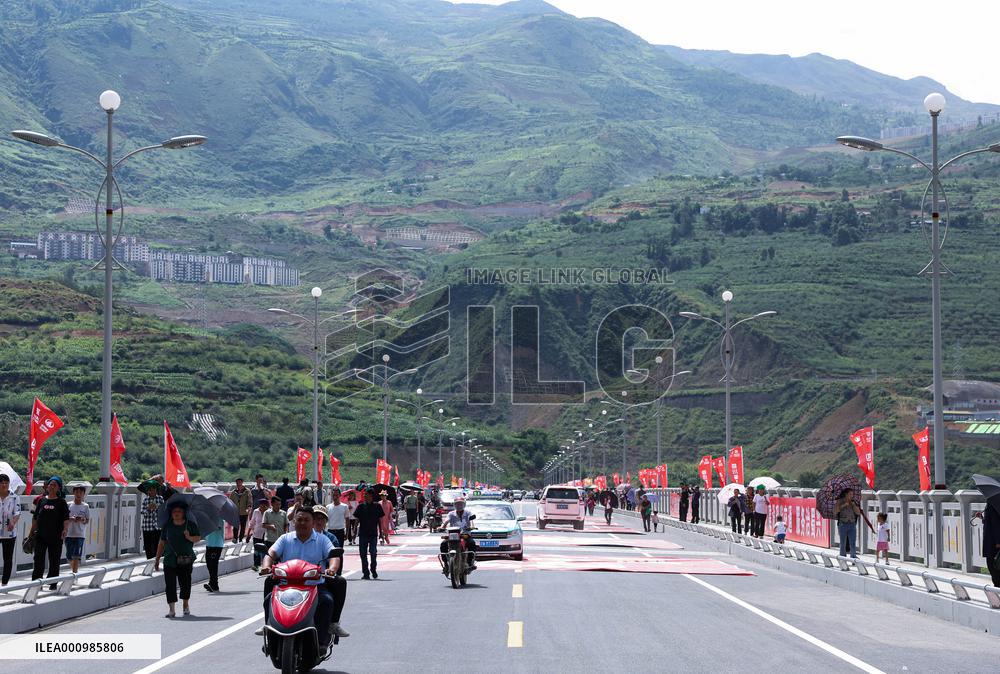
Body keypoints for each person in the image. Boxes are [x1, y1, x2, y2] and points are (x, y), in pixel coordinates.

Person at [256, 508, 348, 645]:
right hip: (286, 586)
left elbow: (334, 556)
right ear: (294, 521)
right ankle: (269, 629)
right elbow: (271, 553)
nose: (302, 523)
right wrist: (266, 566)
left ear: (312, 522)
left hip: (315, 586)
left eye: (306, 520)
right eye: (299, 519)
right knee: (269, 598)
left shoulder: (322, 540)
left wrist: (332, 569)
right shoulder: (285, 539)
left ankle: (323, 638)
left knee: (327, 601)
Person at [155, 502, 201, 618]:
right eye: (174, 511)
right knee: (170, 585)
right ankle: (172, 609)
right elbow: (162, 543)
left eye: (179, 511)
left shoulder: (190, 525)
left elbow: (198, 538)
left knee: (185, 583)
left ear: (184, 513)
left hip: (186, 559)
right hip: (169, 560)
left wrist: (189, 537)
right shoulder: (167, 526)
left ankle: (185, 604)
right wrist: (157, 559)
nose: (176, 513)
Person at [309, 505, 349, 631]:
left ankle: (334, 622)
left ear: (326, 521)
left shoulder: (330, 538)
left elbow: (334, 557)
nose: (319, 521)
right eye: (316, 518)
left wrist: (331, 569)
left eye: (322, 518)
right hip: (298, 577)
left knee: (340, 582)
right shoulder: (295, 536)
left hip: (321, 577)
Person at [29, 476, 69, 589]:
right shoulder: (42, 500)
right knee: (38, 560)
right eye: (50, 484)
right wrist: (31, 531)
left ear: (59, 488)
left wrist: (65, 529)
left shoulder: (61, 502)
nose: (51, 487)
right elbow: (35, 517)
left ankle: (52, 583)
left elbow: (66, 519)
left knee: (54, 560)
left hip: (55, 536)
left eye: (54, 485)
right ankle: (36, 583)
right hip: (40, 535)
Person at [439, 497, 477, 571]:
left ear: (464, 504)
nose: (459, 505)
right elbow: (446, 521)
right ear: (454, 505)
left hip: (465, 534)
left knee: (472, 543)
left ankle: (470, 563)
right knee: (443, 544)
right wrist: (442, 527)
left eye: (460, 504)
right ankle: (445, 564)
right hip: (453, 535)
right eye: (457, 504)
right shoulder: (451, 514)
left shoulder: (468, 513)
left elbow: (471, 521)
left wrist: (471, 527)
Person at [353, 489, 384, 579]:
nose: (365, 496)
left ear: (371, 496)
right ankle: (365, 572)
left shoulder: (377, 506)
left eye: (366, 494)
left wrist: (381, 533)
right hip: (363, 534)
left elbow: (380, 520)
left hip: (373, 534)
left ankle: (373, 569)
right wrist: (354, 531)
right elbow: (357, 520)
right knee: (363, 554)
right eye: (364, 494)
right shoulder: (360, 506)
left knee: (373, 553)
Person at [0, 473, 22, 586]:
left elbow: (17, 512)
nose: (4, 485)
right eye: (2, 483)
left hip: (9, 532)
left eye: (6, 483)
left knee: (7, 558)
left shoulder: (14, 497)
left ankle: (4, 583)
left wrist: (13, 522)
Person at [973, 504, 1000, 587]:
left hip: (993, 543)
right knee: (992, 566)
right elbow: (990, 521)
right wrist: (982, 518)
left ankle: (997, 586)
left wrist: (998, 542)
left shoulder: (993, 505)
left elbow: (996, 524)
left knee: (994, 566)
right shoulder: (991, 504)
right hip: (991, 541)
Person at [66, 484, 90, 574]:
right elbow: (64, 518)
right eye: (77, 492)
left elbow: (87, 520)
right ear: (73, 493)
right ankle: (74, 571)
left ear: (84, 494)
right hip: (69, 533)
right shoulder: (68, 505)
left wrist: (82, 519)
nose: (78, 494)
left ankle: (74, 574)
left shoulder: (85, 506)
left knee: (76, 556)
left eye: (81, 492)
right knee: (69, 556)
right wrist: (71, 519)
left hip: (80, 534)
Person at [834, 488, 861, 559]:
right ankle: (842, 557)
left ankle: (853, 556)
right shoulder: (839, 501)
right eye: (850, 494)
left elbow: (858, 513)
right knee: (843, 542)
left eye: (852, 494)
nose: (851, 496)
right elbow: (836, 511)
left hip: (852, 524)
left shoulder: (853, 502)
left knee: (853, 542)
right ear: (846, 494)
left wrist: (853, 505)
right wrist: (844, 505)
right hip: (842, 524)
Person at [140, 484, 165, 560]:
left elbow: (163, 510)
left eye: (154, 490)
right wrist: (148, 509)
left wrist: (156, 508)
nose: (153, 491)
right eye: (151, 490)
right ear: (148, 491)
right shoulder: (145, 500)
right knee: (148, 545)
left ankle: (157, 559)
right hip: (147, 526)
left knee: (157, 544)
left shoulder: (160, 498)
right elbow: (142, 512)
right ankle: (149, 560)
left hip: (157, 526)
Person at [203, 516, 225, 593]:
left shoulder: (219, 519)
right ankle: (212, 582)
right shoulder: (207, 519)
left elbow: (217, 528)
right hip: (209, 544)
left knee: (213, 564)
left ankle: (214, 585)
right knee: (209, 564)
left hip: (217, 544)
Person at [248, 498, 269, 570]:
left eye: (264, 505)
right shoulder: (256, 511)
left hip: (266, 534)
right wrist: (248, 533)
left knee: (265, 550)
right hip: (257, 533)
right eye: (261, 505)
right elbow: (252, 522)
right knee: (256, 550)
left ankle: (265, 565)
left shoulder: (269, 512)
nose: (262, 507)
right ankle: (256, 565)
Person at [230, 478, 252, 542]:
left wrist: (249, 507)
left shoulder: (247, 491)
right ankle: (235, 538)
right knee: (235, 526)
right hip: (235, 512)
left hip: (244, 512)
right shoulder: (233, 492)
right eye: (237, 482)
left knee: (243, 526)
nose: (238, 484)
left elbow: (249, 500)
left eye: (239, 482)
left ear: (242, 482)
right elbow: (230, 501)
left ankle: (240, 538)